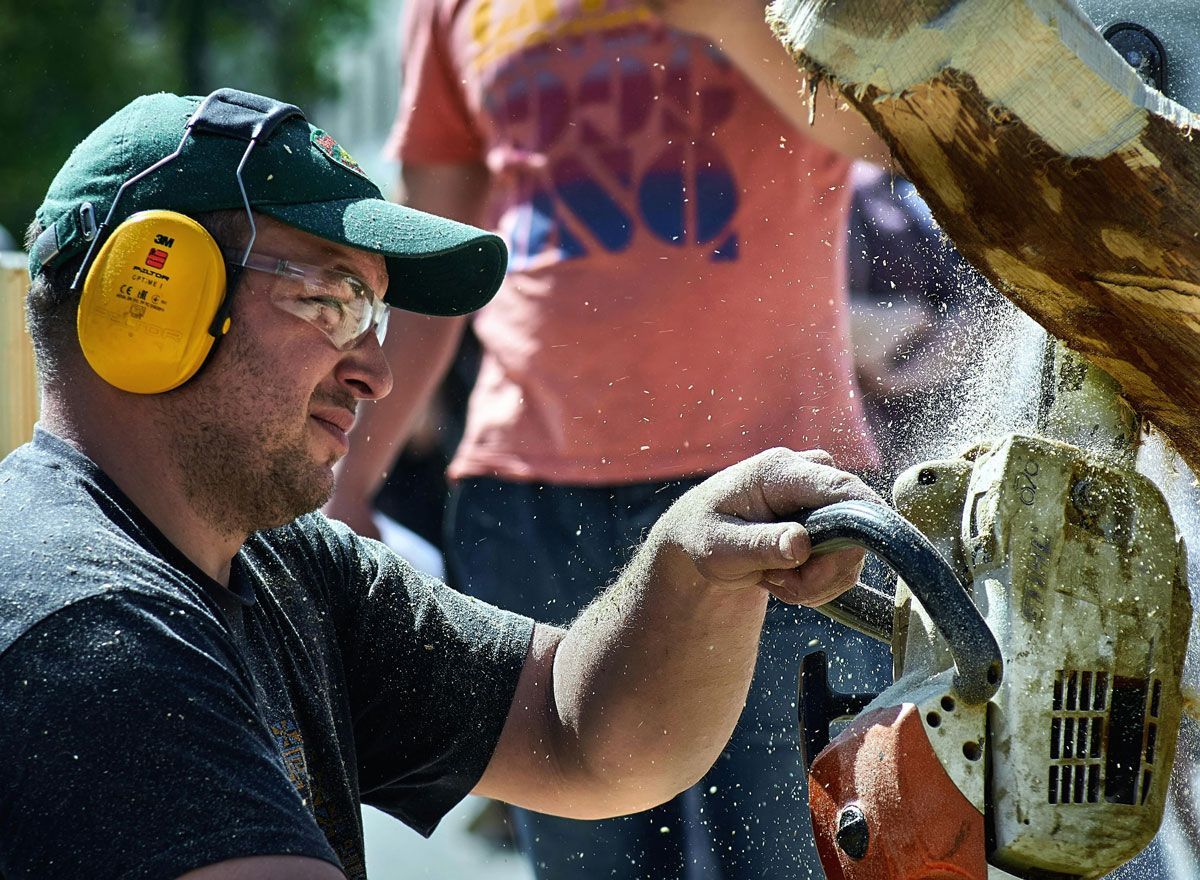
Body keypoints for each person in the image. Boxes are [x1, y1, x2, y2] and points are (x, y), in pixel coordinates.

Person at [0, 88, 877, 880]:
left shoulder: (286, 568)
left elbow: (580, 736)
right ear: (149, 297)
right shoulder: (90, 628)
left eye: (374, 313)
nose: (375, 373)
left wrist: (688, 563)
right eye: (332, 300)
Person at [324, 0, 896, 876]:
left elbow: (895, 133)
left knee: (804, 856)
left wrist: (730, 19)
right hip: (526, 502)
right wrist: (348, 479)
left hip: (779, 485)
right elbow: (436, 235)